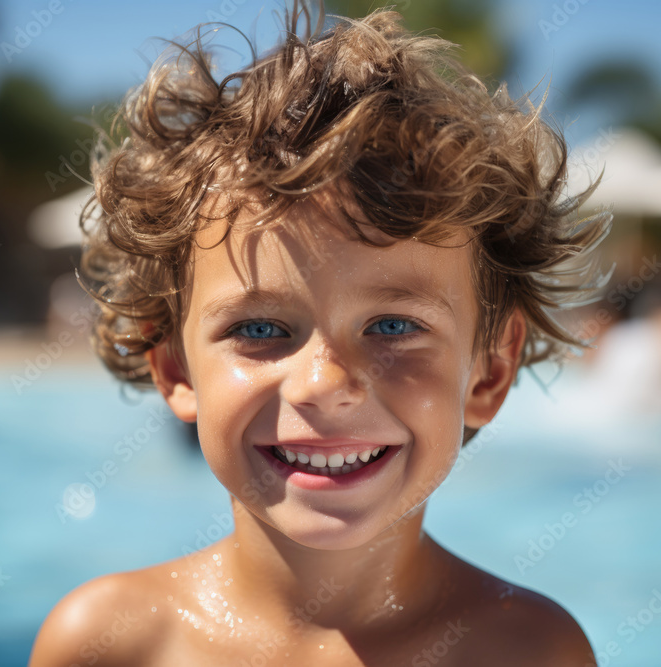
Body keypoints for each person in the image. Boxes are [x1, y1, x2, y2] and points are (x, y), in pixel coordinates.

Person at [30, 5, 610, 665]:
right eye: (261, 327)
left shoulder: (529, 650)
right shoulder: (108, 641)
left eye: (393, 325)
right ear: (175, 368)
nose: (325, 383)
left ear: (489, 373)